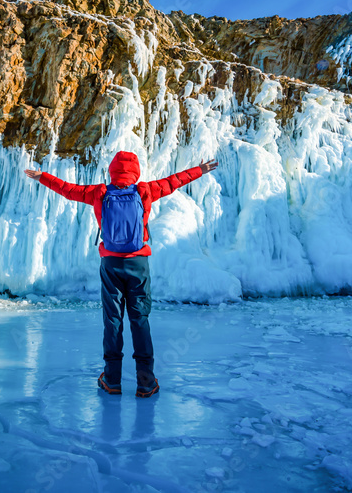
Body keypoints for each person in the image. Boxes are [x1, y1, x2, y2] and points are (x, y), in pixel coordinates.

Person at [24, 151, 218, 398]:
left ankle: (112, 379)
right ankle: (146, 382)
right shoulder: (144, 191)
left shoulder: (99, 193)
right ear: (136, 172)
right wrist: (199, 170)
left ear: (112, 172)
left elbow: (68, 189)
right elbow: (173, 181)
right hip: (138, 264)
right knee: (140, 320)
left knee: (112, 320)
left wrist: (43, 177)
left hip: (111, 265)